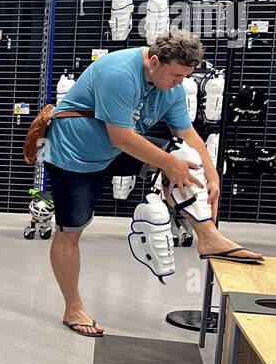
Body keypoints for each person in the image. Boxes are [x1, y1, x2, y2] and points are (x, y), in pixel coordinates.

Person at [43, 31, 263, 337]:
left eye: (185, 77)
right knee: (71, 232)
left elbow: (188, 136)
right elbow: (120, 136)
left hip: (115, 148)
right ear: (155, 61)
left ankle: (208, 237)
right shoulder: (119, 72)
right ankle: (73, 307)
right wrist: (169, 164)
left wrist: (212, 175)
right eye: (175, 75)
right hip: (75, 153)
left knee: (184, 156)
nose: (179, 83)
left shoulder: (172, 87)